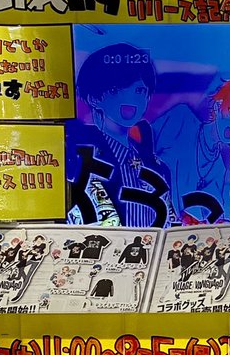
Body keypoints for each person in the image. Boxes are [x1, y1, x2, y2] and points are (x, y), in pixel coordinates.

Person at [68, 42, 171, 228]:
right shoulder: (77, 159)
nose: (130, 99)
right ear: (94, 98)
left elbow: (170, 220)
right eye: (115, 90)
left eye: (139, 90)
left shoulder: (157, 166)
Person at [152, 78, 230, 222]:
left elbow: (228, 217)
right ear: (218, 105)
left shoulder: (220, 168)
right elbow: (138, 141)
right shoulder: (181, 120)